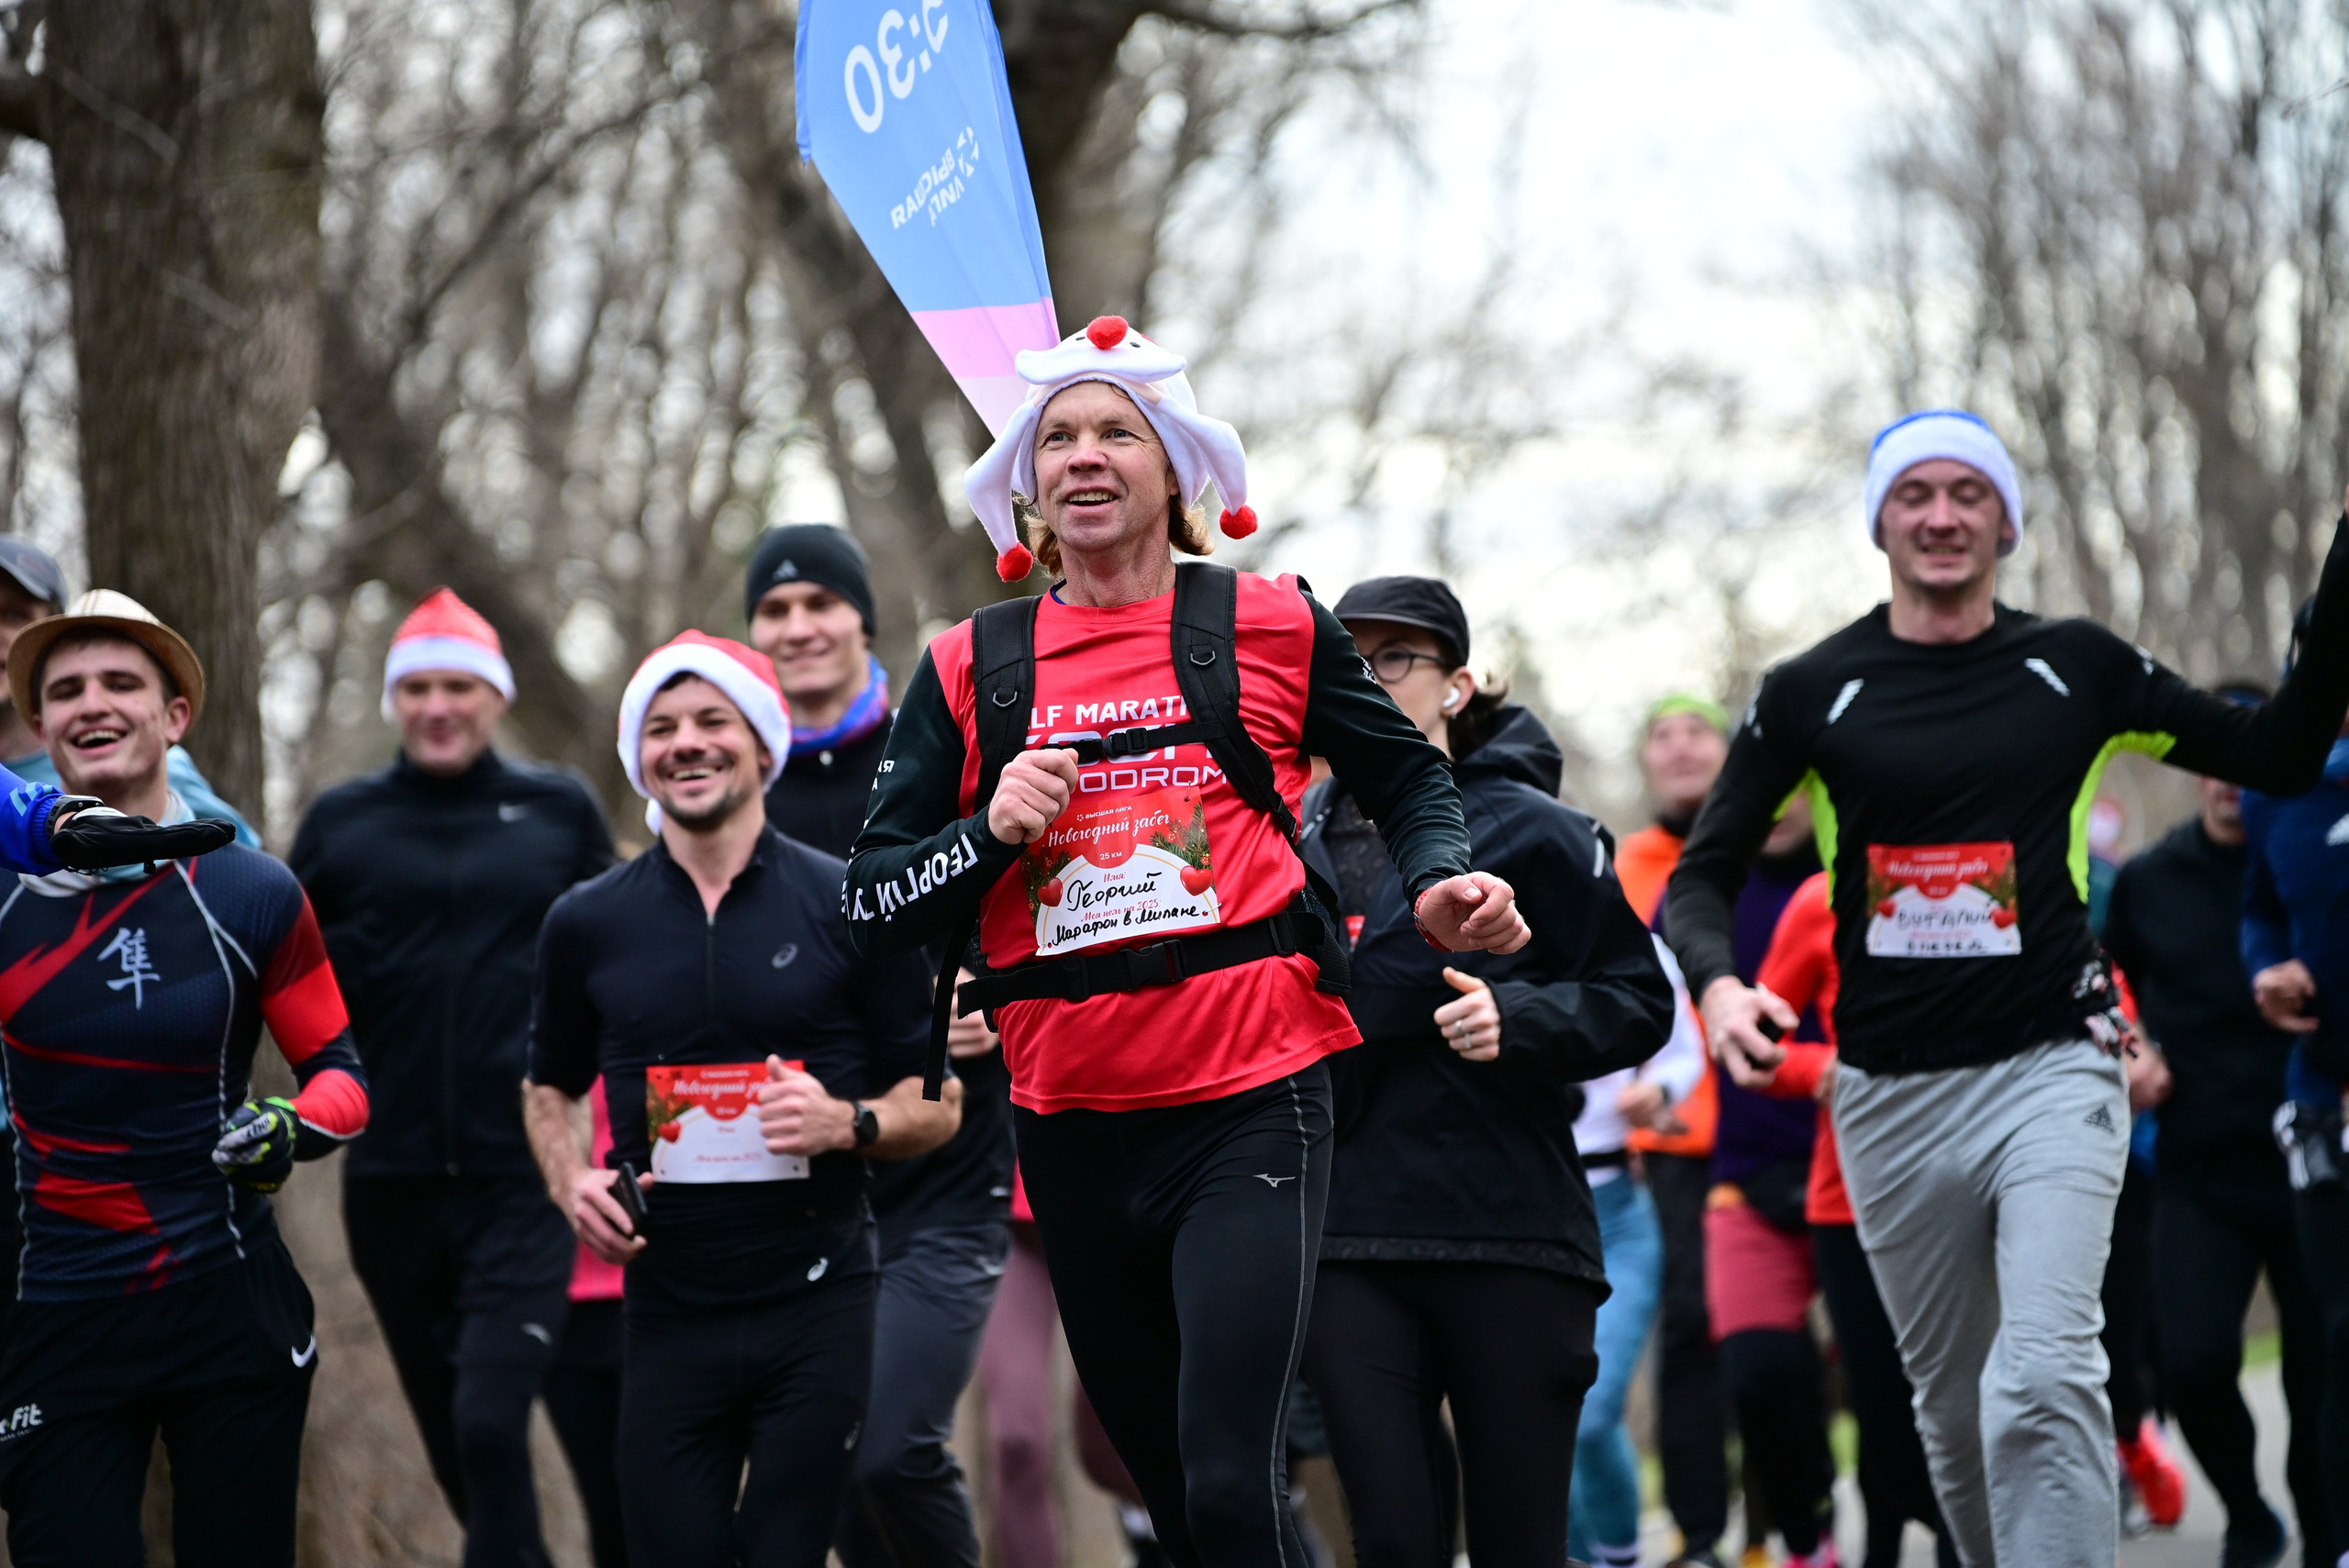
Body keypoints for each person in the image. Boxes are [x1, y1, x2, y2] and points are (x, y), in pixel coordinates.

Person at [843, 317, 1527, 1568]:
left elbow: (1409, 781)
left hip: (1253, 1102)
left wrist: (1441, 879)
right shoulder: (968, 666)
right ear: (1030, 486)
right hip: (1072, 1119)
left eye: (1120, 432)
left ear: (1177, 470)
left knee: (1225, 1471)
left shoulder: (1267, 622)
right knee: (1173, 1485)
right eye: (1059, 437)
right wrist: (990, 834)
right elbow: (871, 902)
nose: (1086, 456)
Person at [1666, 407, 2349, 1568]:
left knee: (2040, 1373)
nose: (1941, 515)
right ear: (1881, 520)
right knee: (1952, 1410)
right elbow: (1703, 871)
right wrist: (1721, 988)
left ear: (2005, 522)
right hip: (1887, 1094)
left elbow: (2275, 753)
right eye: (1916, 494)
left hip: (2052, 1065)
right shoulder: (1811, 688)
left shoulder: (2073, 664)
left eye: (1968, 494)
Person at [524, 631, 960, 1568]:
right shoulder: (587, 921)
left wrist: (846, 1121)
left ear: (764, 743)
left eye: (712, 720)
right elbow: (548, 1082)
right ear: (638, 755)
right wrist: (571, 1183)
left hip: (818, 1300)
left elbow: (942, 1100)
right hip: (667, 1308)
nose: (686, 742)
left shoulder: (853, 901)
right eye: (661, 726)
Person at [1290, 574, 1675, 1568]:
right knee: (1393, 1538)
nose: (1366, 678)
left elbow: (1640, 998)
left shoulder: (1536, 829)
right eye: (1347, 659)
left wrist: (1523, 1013)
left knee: (1518, 1542)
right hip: (1346, 1234)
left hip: (1506, 1228)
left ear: (1457, 685)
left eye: (1394, 658)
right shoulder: (1283, 836)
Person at [0, 592, 362, 1567]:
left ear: (175, 716)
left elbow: (342, 1075)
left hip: (228, 1301)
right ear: (37, 726)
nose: (92, 703)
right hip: (56, 1312)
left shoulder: (249, 886)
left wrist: (290, 1125)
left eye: (122, 681)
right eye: (65, 689)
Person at [291, 588, 615, 1568]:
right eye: (420, 686)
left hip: (524, 1173)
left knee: (487, 1416)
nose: (439, 705)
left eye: (460, 685)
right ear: (396, 699)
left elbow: (623, 948)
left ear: (494, 696)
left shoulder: (557, 809)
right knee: (454, 1445)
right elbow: (278, 971)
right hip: (385, 1180)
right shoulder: (343, 823)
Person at [745, 524, 1018, 1568]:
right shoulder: (739, 779)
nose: (799, 625)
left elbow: (1029, 891)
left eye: (821, 601)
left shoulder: (940, 739)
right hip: (799, 1176)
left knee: (892, 1448)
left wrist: (997, 992)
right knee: (833, 1468)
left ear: (863, 616)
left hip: (945, 1170)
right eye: (775, 609)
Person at [2106, 708, 2321, 1568]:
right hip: (2197, 1168)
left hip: (2312, 1159)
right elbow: (2098, 979)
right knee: (2191, 1363)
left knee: (2320, 1371)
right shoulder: (2151, 880)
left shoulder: (2307, 855)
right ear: (2198, 771)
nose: (2234, 781)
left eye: (2252, 762)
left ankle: (2324, 1526)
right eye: (2218, 764)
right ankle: (2246, 1507)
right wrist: (2132, 1048)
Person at [1753, 871, 1958, 1568]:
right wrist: (1828, 1069)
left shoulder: (1993, 870)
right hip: (1852, 1197)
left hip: (1977, 1185)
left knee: (1971, 1405)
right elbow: (1756, 1043)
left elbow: (2091, 981)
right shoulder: (1822, 898)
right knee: (1890, 1426)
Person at [1656, 793, 1835, 1568]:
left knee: (1895, 1384)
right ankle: (1806, 1536)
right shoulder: (1703, 892)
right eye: (1769, 781)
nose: (1780, 802)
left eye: (1800, 784)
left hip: (1863, 1165)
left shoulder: (1853, 879)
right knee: (1756, 1372)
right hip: (1745, 1171)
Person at [2239, 630, 2349, 1568]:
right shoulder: (2278, 787)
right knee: (2342, 1330)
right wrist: (2264, 970)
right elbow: (2261, 909)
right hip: (2323, 1104)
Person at [1618, 695, 1735, 1568]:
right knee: (1688, 1324)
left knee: (1769, 1336)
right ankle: (1701, 1529)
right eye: (1665, 733)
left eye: (1698, 729)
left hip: (1780, 1121)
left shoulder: (1765, 849)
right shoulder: (1624, 868)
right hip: (1671, 1139)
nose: (1682, 745)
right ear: (1649, 760)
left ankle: (1787, 1515)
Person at [1557, 939, 1702, 1568]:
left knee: (1588, 1412)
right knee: (1531, 1426)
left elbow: (1682, 1051)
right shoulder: (1461, 916)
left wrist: (1661, 1089)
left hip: (1615, 1209)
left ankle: (1618, 1560)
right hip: (1516, 1213)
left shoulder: (1623, 933)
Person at [0, 536, 256, 844]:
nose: (93, 707)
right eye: (67, 692)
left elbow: (236, 870)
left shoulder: (145, 759)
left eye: (15, 615)